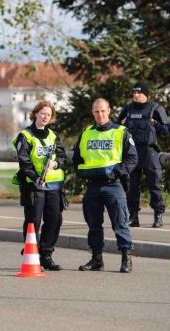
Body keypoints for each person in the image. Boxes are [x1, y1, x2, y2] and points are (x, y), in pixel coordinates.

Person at [74, 98, 137, 273]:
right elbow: (77, 159)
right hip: (92, 186)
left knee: (120, 223)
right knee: (94, 224)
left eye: (102, 111)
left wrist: (116, 173)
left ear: (109, 111)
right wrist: (82, 172)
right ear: (92, 113)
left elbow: (132, 159)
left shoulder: (121, 132)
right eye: (96, 112)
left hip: (113, 185)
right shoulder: (86, 133)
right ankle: (96, 259)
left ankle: (126, 258)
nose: (100, 114)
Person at [12, 100, 67, 271]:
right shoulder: (26, 135)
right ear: (35, 113)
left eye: (48, 115)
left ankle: (46, 254)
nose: (45, 117)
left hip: (54, 186)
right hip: (34, 186)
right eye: (42, 113)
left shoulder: (53, 136)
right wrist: (36, 177)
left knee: (55, 219)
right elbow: (24, 161)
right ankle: (32, 253)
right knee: (33, 221)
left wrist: (55, 165)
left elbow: (63, 157)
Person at [117, 81, 169, 228]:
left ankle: (158, 215)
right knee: (131, 186)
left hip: (149, 152)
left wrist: (156, 125)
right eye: (134, 92)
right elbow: (115, 127)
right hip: (131, 153)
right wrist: (121, 123)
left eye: (138, 92)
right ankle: (133, 216)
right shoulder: (128, 109)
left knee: (154, 184)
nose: (135, 94)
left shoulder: (155, 108)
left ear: (145, 93)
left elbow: (166, 131)